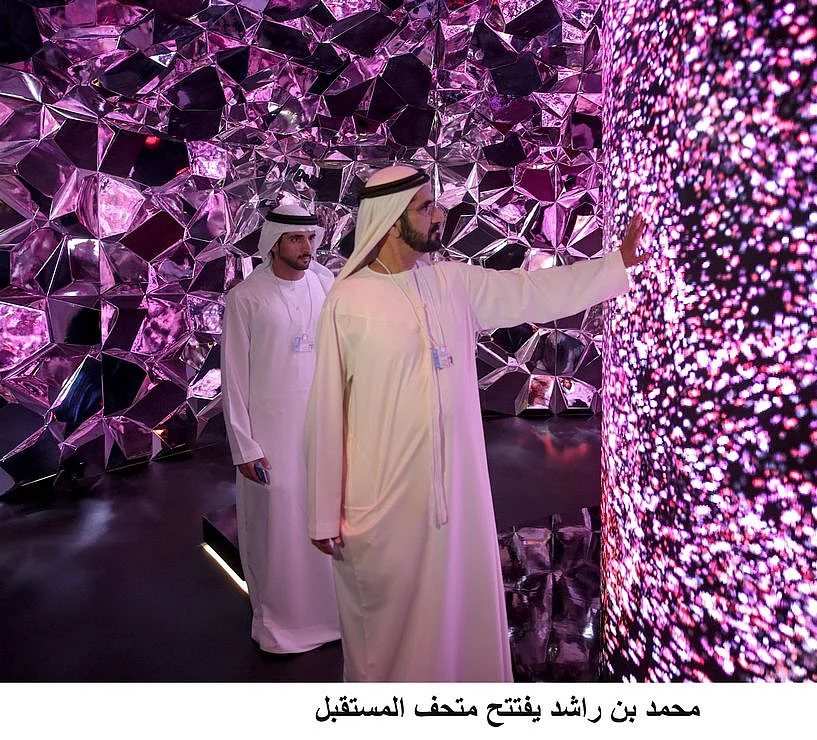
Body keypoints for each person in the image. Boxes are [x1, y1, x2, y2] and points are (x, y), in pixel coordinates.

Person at [304, 165, 647, 681]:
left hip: (458, 497)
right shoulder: (347, 302)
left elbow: (531, 291)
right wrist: (322, 513)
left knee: (459, 619)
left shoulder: (452, 283)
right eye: (426, 207)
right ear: (392, 221)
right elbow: (327, 412)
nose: (439, 214)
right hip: (385, 501)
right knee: (387, 635)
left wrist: (614, 265)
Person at [221, 202, 343, 654]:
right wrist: (245, 446)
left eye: (310, 238)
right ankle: (281, 626)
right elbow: (234, 375)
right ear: (274, 243)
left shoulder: (326, 283)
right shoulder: (246, 297)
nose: (306, 247)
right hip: (270, 435)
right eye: (295, 239)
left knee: (324, 517)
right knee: (278, 529)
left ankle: (334, 618)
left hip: (321, 427)